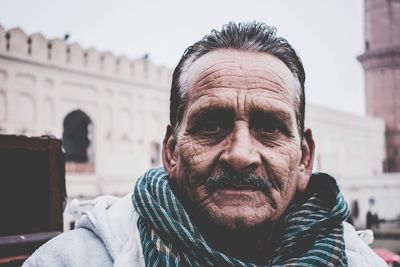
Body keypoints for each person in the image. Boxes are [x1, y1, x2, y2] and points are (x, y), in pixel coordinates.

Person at [24, 21, 387, 267]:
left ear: (305, 158)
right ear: (170, 151)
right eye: (211, 125)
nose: (241, 155)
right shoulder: (73, 261)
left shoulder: (358, 261)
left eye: (269, 128)